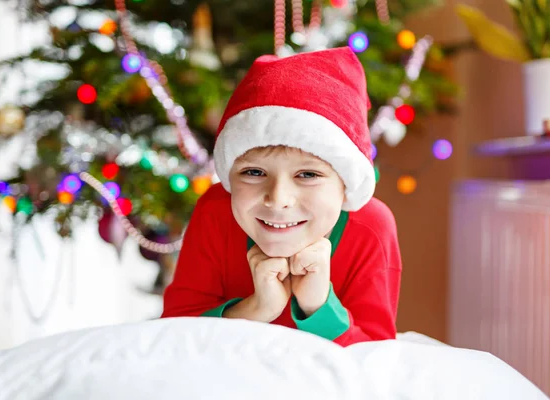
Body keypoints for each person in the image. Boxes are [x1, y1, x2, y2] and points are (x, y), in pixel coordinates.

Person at [161, 46, 402, 347]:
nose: (278, 199)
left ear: (346, 186)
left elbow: (376, 358)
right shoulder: (214, 211)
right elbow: (173, 337)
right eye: (254, 172)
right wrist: (257, 308)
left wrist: (319, 305)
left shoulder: (371, 228)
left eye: (308, 175)